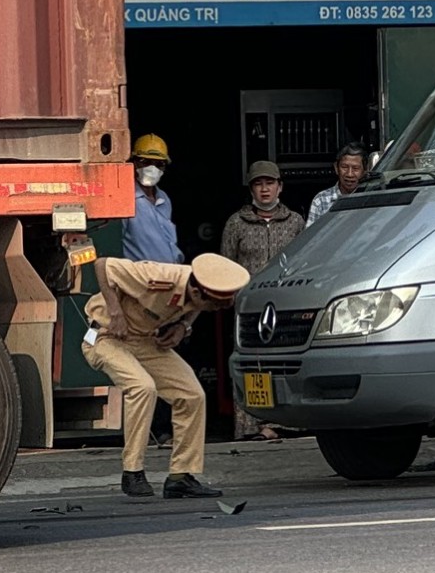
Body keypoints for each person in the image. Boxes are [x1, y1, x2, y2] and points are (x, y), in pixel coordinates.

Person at [79, 250, 247, 498]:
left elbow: (196, 306)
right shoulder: (158, 277)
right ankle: (132, 471)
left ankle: (181, 476)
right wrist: (114, 311)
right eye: (212, 305)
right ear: (198, 293)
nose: (213, 310)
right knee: (142, 387)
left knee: (192, 395)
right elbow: (103, 265)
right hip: (106, 336)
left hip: (145, 341)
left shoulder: (198, 291)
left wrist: (183, 326)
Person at [225, 161, 305, 438]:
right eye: (258, 184)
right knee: (250, 366)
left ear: (279, 186)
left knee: (284, 363)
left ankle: (285, 423)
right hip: (248, 307)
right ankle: (251, 427)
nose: (265, 190)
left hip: (285, 306)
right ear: (251, 190)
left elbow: (304, 264)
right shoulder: (237, 223)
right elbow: (225, 266)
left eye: (269, 183)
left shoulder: (295, 222)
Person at [120, 133, 183, 264]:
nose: (151, 168)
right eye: (145, 162)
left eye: (159, 164)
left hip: (170, 273)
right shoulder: (125, 199)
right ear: (134, 162)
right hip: (143, 278)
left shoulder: (164, 199)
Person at [308, 144, 369, 225]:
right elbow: (312, 235)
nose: (349, 174)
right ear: (336, 168)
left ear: (364, 171)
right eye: (344, 167)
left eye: (355, 168)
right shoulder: (321, 200)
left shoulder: (370, 198)